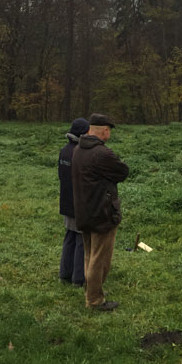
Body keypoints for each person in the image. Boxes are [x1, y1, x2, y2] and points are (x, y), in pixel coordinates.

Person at [71, 113, 130, 311]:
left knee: (89, 255)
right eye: (109, 130)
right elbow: (123, 172)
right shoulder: (103, 153)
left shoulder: (78, 149)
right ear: (105, 130)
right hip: (102, 213)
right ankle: (95, 301)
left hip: (84, 211)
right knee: (99, 258)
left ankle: (90, 292)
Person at [58, 117, 89, 287]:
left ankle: (65, 274)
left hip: (66, 201)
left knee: (69, 237)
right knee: (81, 239)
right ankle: (78, 278)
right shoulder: (79, 153)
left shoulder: (64, 150)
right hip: (79, 203)